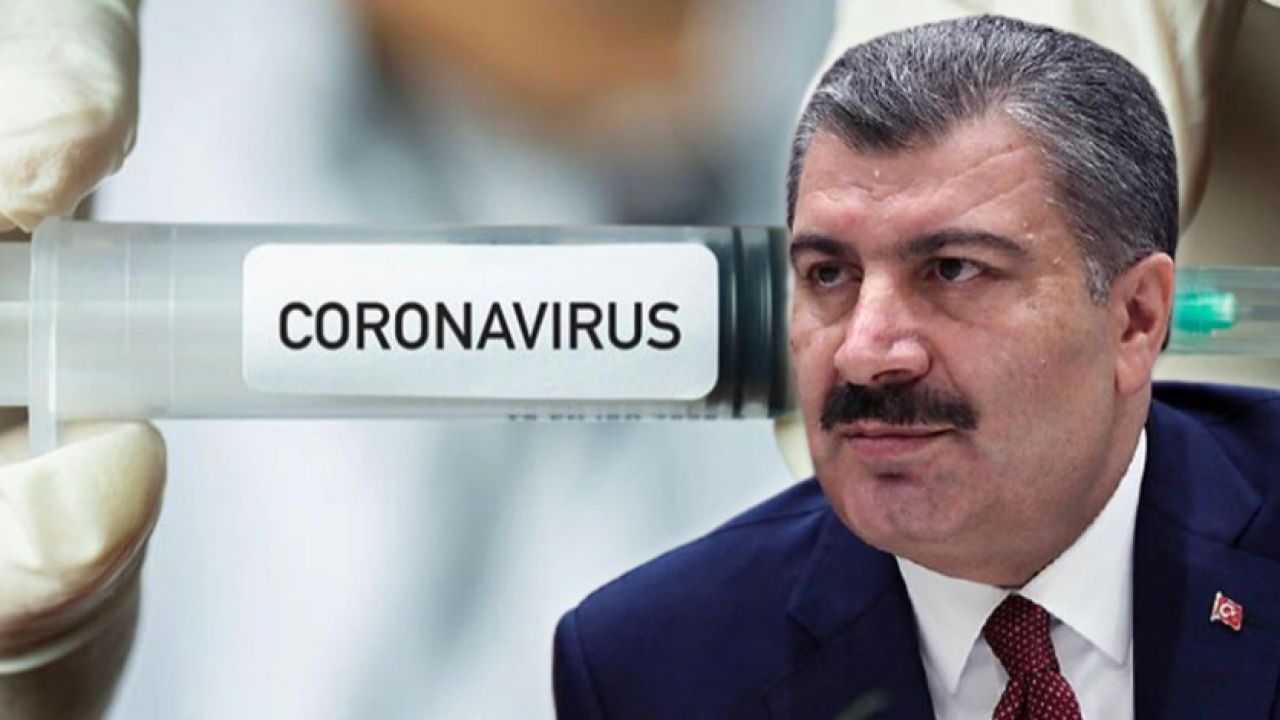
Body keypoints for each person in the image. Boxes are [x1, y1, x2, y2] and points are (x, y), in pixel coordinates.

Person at [553, 15, 1280, 720]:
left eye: (952, 269)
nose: (864, 353)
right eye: (829, 275)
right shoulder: (652, 667)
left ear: (1136, 318)